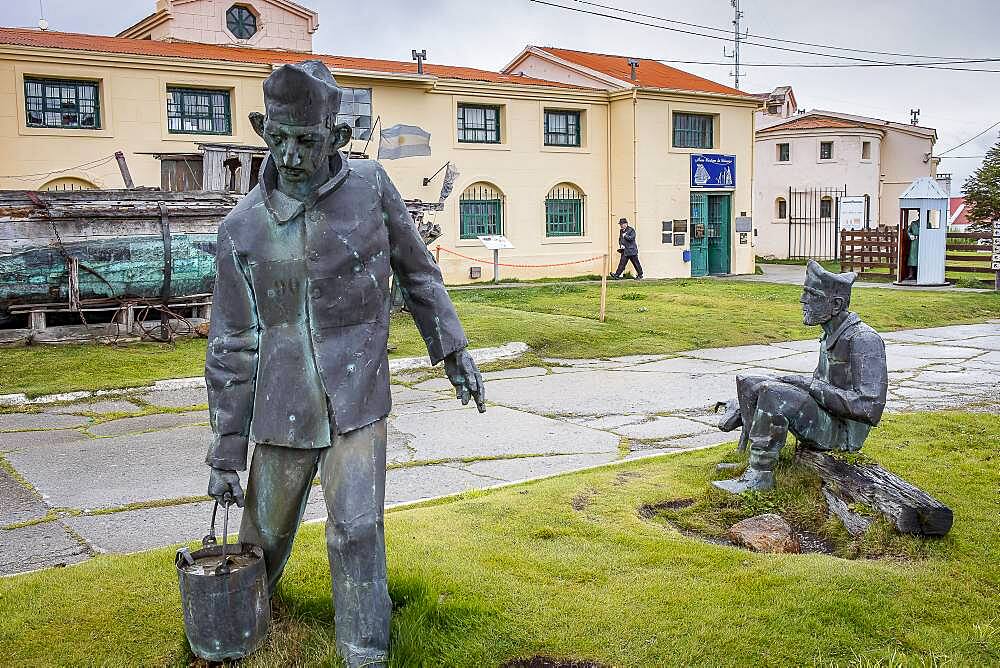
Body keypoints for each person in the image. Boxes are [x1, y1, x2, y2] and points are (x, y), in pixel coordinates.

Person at [203, 61, 486, 668]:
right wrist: (228, 450)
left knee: (357, 530)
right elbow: (232, 344)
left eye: (306, 140)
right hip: (282, 410)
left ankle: (364, 651)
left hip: (358, 399)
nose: (291, 154)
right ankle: (231, 633)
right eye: (277, 137)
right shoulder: (241, 230)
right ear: (262, 128)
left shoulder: (372, 187)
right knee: (262, 541)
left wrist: (454, 348)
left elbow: (418, 273)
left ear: (337, 136)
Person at [713, 260, 887, 494]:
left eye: (811, 296)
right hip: (827, 414)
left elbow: (869, 408)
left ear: (835, 305)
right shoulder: (829, 335)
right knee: (750, 382)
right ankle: (746, 456)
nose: (802, 301)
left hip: (841, 433)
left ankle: (760, 477)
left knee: (773, 393)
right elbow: (820, 385)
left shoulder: (864, 340)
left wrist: (807, 385)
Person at [906, 214, 920, 281]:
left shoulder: (928, 224)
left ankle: (918, 274)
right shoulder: (913, 223)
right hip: (915, 242)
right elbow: (908, 231)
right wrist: (910, 235)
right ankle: (910, 274)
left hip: (923, 242)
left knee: (921, 258)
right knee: (912, 257)